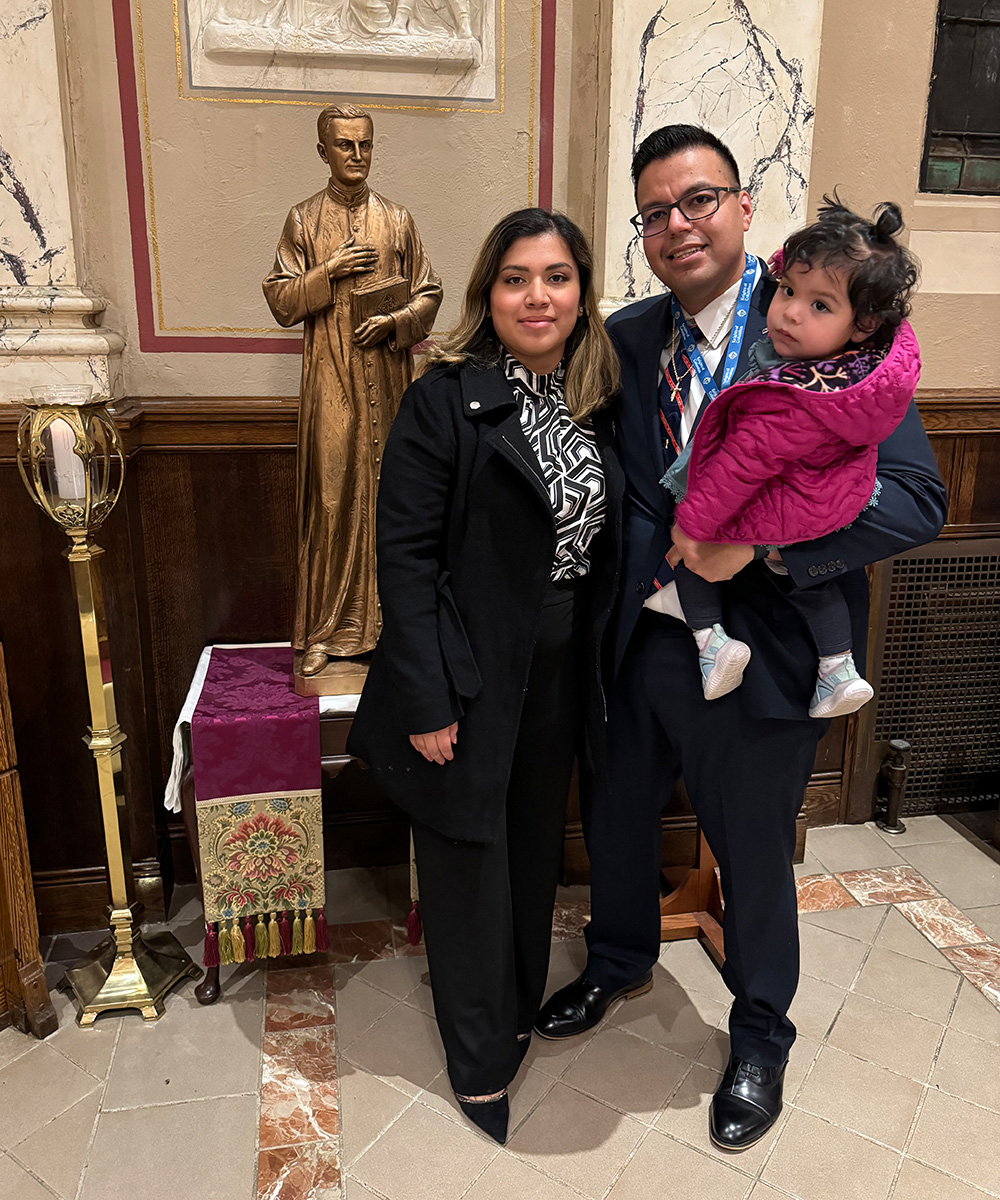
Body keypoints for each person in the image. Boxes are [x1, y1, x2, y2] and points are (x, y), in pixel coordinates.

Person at [534, 125, 947, 1152]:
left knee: (755, 852)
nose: (678, 225)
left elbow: (912, 502)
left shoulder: (839, 338)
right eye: (656, 212)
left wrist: (754, 553)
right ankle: (621, 957)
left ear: (745, 207)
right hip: (640, 638)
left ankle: (761, 1028)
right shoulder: (624, 339)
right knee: (620, 816)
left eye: (699, 200)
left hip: (769, 647)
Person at [347, 209, 622, 1144]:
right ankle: (477, 1061)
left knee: (533, 849)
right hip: (465, 674)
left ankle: (511, 1010)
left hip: (559, 669)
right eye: (515, 278)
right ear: (487, 295)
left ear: (582, 293)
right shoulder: (445, 399)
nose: (536, 296)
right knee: (467, 863)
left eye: (555, 277)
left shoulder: (599, 400)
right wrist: (425, 696)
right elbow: (405, 557)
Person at [666, 195, 922, 720]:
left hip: (779, 638)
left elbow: (741, 463)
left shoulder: (802, 388)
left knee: (690, 559)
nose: (790, 312)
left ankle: (713, 643)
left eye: (821, 305)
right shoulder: (859, 375)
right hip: (822, 501)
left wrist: (701, 528)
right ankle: (839, 667)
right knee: (814, 590)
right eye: (787, 291)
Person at [263, 103, 442, 677]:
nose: (358, 155)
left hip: (389, 387)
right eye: (345, 146)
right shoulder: (302, 220)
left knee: (394, 501)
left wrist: (396, 323)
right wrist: (328, 272)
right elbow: (282, 300)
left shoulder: (399, 219)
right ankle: (322, 631)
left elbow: (430, 294)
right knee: (332, 499)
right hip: (330, 381)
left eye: (365, 144)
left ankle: (391, 627)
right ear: (323, 152)